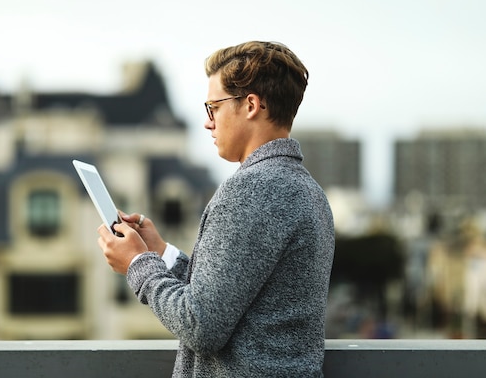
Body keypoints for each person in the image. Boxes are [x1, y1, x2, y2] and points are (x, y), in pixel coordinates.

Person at [97, 41, 335, 377]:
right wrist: (161, 253)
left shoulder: (251, 189)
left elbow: (200, 325)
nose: (208, 123)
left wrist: (137, 264)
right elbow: (231, 299)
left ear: (251, 104)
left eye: (214, 107)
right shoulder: (309, 191)